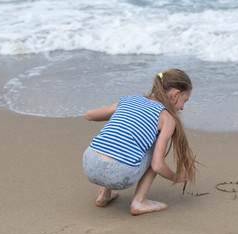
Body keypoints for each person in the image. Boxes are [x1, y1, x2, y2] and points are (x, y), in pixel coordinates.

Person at [83, 69, 196, 215]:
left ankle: (105, 195)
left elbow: (89, 116)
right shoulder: (166, 118)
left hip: (89, 165)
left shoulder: (130, 99)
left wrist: (122, 117)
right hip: (120, 175)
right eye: (184, 100)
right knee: (155, 144)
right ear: (175, 94)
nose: (182, 107)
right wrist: (176, 177)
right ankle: (139, 201)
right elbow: (157, 165)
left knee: (114, 134)